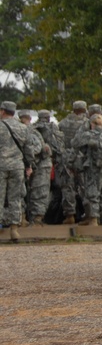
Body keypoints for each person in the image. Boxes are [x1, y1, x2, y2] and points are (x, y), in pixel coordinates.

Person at [72, 110, 102, 225]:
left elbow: (74, 143)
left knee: (93, 193)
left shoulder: (90, 134)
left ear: (92, 124)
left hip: (94, 168)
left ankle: (93, 219)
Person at [1, 101, 33, 242]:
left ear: (3, 111)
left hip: (1, 166)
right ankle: (14, 230)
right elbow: (29, 150)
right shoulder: (23, 128)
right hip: (17, 167)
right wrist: (29, 166)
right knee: (15, 199)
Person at [57, 100, 89, 223]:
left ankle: (69, 215)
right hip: (81, 157)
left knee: (67, 187)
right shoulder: (87, 123)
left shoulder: (63, 123)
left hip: (66, 157)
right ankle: (88, 214)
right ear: (84, 109)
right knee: (84, 186)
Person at [19, 111, 51, 226]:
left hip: (38, 164)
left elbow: (37, 148)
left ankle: (34, 219)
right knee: (36, 192)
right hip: (33, 164)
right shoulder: (32, 130)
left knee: (36, 191)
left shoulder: (30, 131)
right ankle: (32, 218)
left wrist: (27, 158)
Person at [34, 110, 64, 225]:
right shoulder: (54, 128)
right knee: (54, 191)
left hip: (38, 164)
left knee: (38, 191)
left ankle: (37, 217)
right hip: (53, 163)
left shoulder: (33, 128)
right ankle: (48, 217)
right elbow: (59, 147)